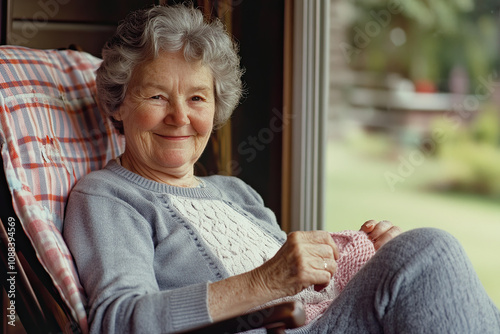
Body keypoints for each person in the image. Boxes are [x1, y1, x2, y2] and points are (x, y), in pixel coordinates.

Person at [63, 4, 500, 334]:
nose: (180, 117)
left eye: (197, 98)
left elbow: (304, 293)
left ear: (215, 109)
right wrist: (268, 279)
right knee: (430, 251)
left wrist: (375, 263)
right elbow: (117, 320)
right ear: (118, 105)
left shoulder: (234, 192)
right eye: (157, 96)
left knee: (426, 267)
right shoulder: (107, 195)